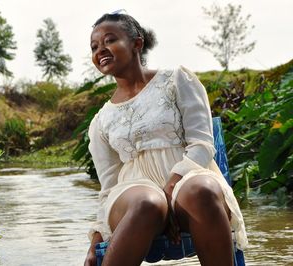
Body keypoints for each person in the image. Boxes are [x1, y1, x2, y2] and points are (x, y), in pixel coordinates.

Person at [84, 12, 248, 266]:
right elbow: (108, 187)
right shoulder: (101, 120)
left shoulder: (177, 81)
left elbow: (202, 145)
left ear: (137, 43)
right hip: (134, 193)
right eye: (94, 46)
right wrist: (95, 241)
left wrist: (170, 188)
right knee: (147, 203)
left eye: (109, 40)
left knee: (201, 191)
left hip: (188, 180)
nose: (100, 50)